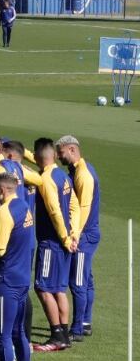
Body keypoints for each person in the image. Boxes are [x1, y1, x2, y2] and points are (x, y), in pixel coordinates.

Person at [0, 173, 37, 361]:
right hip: (22, 279)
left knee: (2, 335)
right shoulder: (24, 206)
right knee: (19, 334)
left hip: (5, 281)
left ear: (3, 190)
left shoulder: (5, 212)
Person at [28, 138, 74, 352]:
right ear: (54, 155)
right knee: (58, 289)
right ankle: (64, 334)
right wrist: (72, 234)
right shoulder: (62, 175)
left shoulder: (46, 179)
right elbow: (72, 205)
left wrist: (64, 237)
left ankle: (56, 334)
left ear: (38, 157)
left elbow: (55, 211)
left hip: (51, 242)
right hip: (64, 241)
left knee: (43, 288)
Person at [58, 135, 99, 340]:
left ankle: (76, 330)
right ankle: (85, 322)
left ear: (72, 150)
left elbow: (83, 208)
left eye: (61, 152)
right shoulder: (79, 170)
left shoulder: (84, 175)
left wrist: (75, 235)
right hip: (87, 234)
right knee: (86, 281)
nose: (58, 156)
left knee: (78, 282)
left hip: (84, 237)